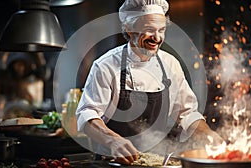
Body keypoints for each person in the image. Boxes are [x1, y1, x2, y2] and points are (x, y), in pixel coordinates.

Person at [76, 0, 223, 165]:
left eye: (162, 30)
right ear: (129, 30)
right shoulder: (106, 66)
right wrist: (113, 141)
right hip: (113, 162)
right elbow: (86, 115)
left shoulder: (170, 64)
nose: (157, 38)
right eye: (149, 30)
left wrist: (208, 135)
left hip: (157, 161)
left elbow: (187, 113)